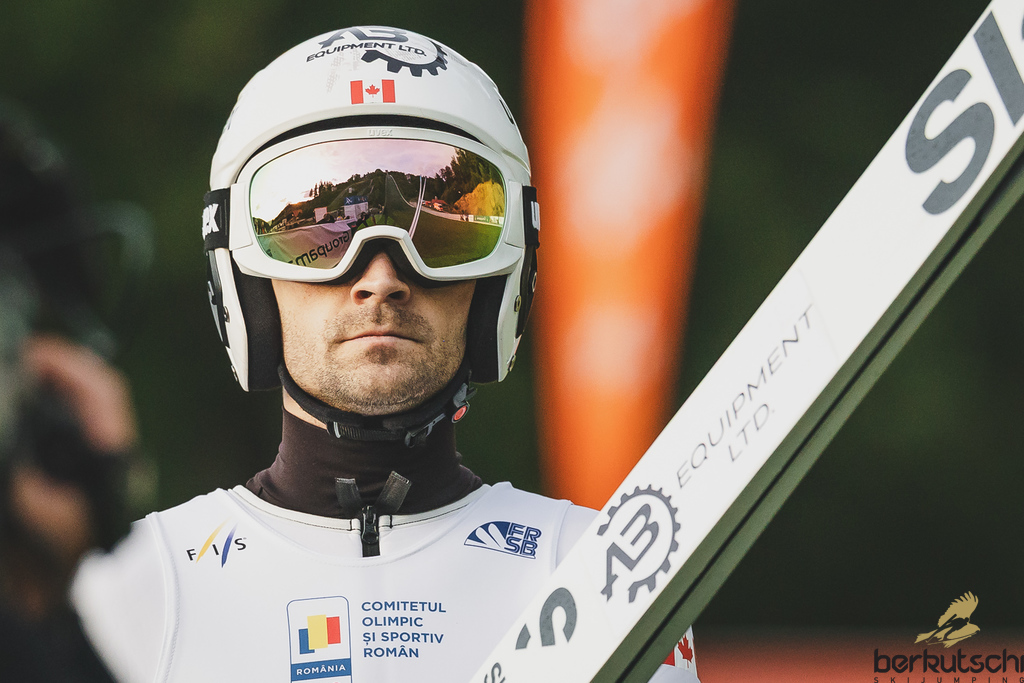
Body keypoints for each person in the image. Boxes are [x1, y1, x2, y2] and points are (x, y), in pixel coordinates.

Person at [71, 27, 700, 682]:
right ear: (245, 280)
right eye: (314, 234)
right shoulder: (128, 593)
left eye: (438, 232)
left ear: (501, 278)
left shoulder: (606, 578)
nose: (380, 277)